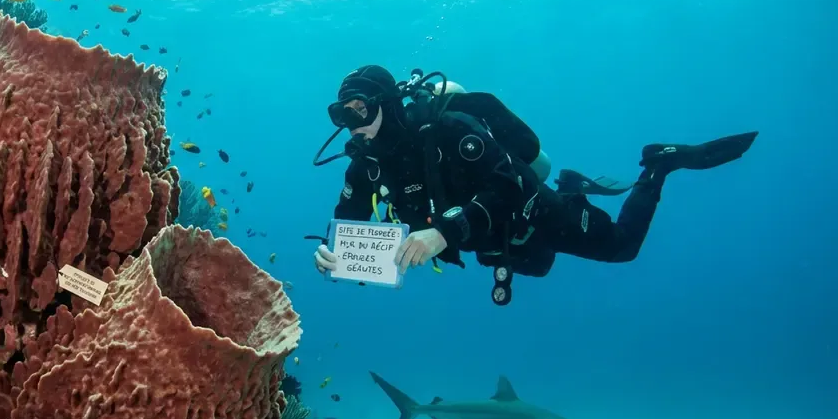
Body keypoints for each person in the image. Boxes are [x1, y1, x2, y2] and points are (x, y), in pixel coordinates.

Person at [310, 65, 758, 304]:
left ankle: (658, 166)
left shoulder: (450, 130)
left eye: (358, 110)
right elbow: (347, 217)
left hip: (532, 211)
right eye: (341, 115)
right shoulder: (365, 163)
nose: (351, 125)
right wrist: (334, 253)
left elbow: (508, 186)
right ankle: (573, 185)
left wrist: (442, 234)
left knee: (621, 248)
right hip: (493, 243)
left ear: (387, 103)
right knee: (540, 266)